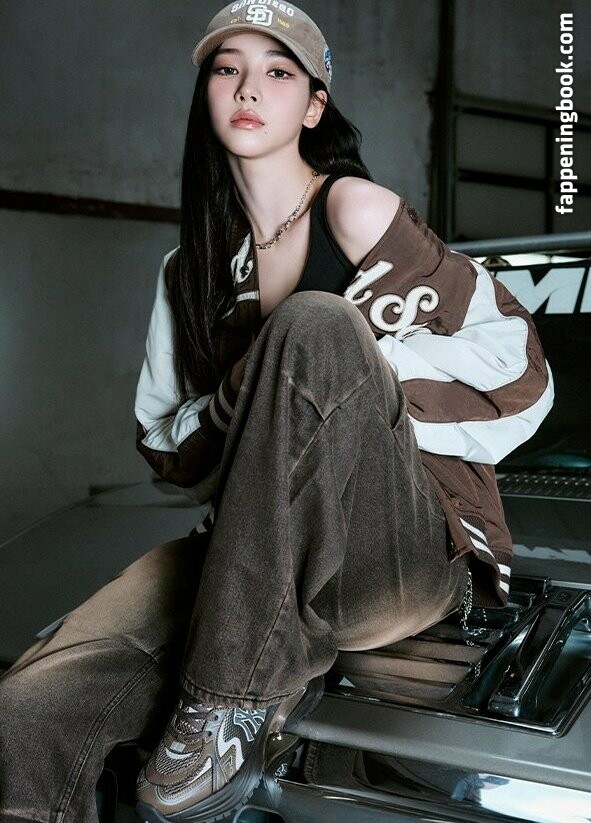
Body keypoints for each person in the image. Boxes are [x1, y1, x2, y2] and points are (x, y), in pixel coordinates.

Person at [0, 2, 554, 823]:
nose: (248, 88)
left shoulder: (355, 209)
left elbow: (520, 370)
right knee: (26, 711)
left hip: (399, 556)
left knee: (316, 324)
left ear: (313, 106)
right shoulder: (188, 270)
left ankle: (227, 704)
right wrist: (255, 388)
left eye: (278, 72)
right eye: (227, 70)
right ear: (206, 95)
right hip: (249, 549)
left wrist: (352, 378)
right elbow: (166, 449)